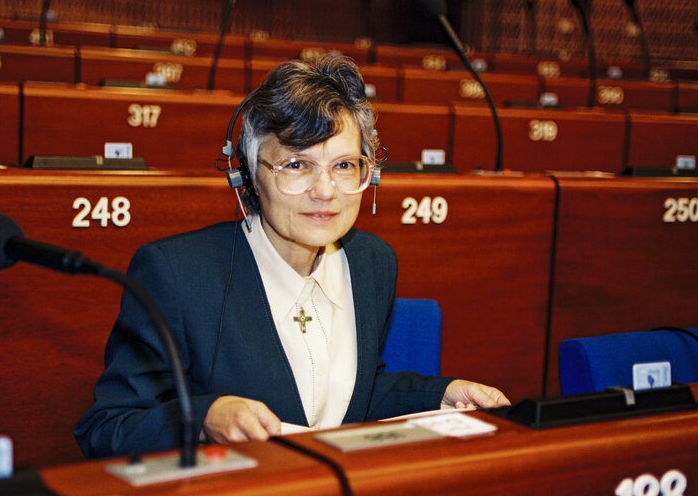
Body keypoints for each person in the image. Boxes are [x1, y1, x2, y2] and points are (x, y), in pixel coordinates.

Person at [75, 54, 509, 458]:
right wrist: (204, 419)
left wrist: (442, 394)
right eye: (297, 165)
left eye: (344, 166)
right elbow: (106, 426)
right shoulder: (176, 273)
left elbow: (349, 397)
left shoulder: (372, 261)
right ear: (247, 173)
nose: (325, 191)